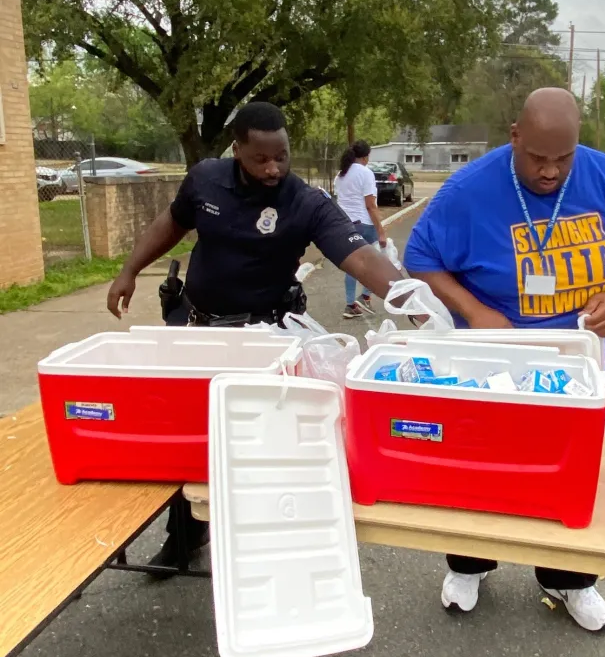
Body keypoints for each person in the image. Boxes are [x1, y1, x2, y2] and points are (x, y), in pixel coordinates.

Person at [404, 87, 605, 632]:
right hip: (496, 371)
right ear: (514, 136)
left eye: (563, 159)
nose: (550, 173)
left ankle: (568, 580)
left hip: (584, 374)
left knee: (573, 480)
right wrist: (474, 310)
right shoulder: (470, 189)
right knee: (481, 474)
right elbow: (421, 256)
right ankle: (470, 565)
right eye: (537, 158)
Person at [106, 101, 404, 572]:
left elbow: (361, 258)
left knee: (265, 445)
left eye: (281, 156)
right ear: (237, 149)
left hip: (263, 337)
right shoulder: (205, 179)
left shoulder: (302, 201)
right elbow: (171, 223)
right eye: (260, 159)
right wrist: (129, 269)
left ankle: (268, 548)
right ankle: (184, 541)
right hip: (198, 328)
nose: (273, 168)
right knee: (191, 435)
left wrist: (409, 297)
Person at [334, 140, 387, 319]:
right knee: (373, 264)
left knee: (352, 266)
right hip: (364, 224)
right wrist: (381, 230)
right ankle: (364, 297)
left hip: (345, 225)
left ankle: (350, 305)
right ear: (365, 157)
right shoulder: (365, 173)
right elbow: (371, 205)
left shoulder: (340, 174)